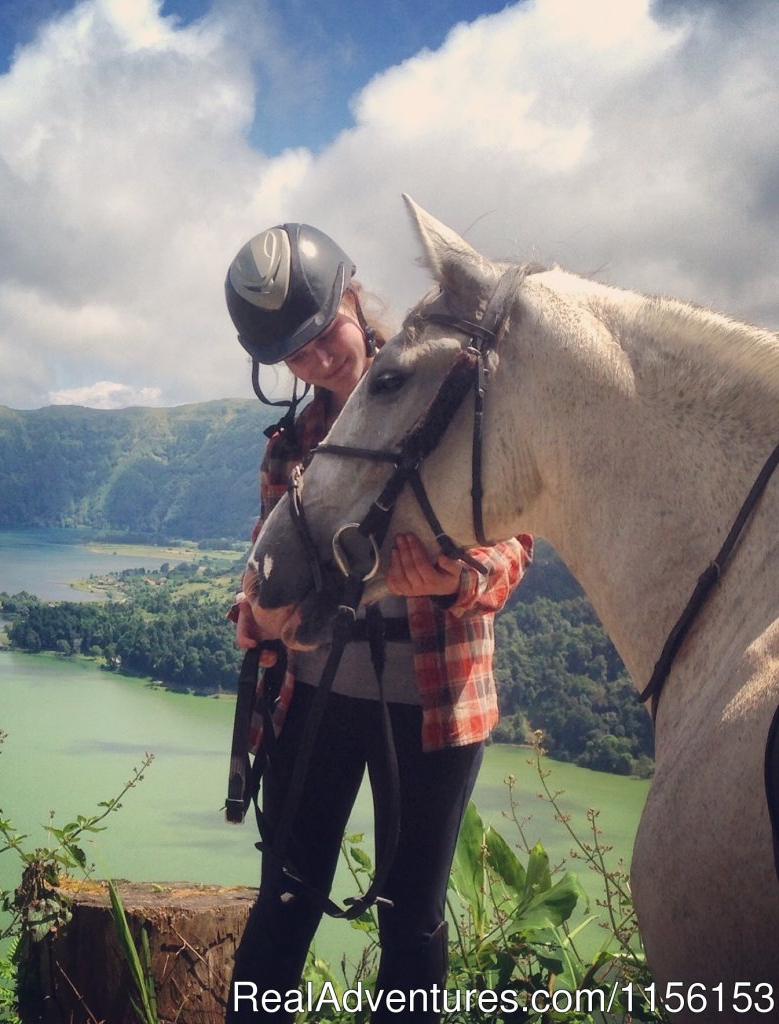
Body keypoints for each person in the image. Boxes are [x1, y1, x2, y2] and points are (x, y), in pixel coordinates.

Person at [224, 222, 533, 1022]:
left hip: (435, 703)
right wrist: (251, 613)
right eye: (297, 351)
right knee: (286, 899)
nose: (321, 358)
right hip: (318, 694)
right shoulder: (289, 446)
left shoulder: (445, 389)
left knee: (411, 920)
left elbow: (513, 539)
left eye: (325, 330)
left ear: (354, 301)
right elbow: (268, 563)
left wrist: (459, 576)